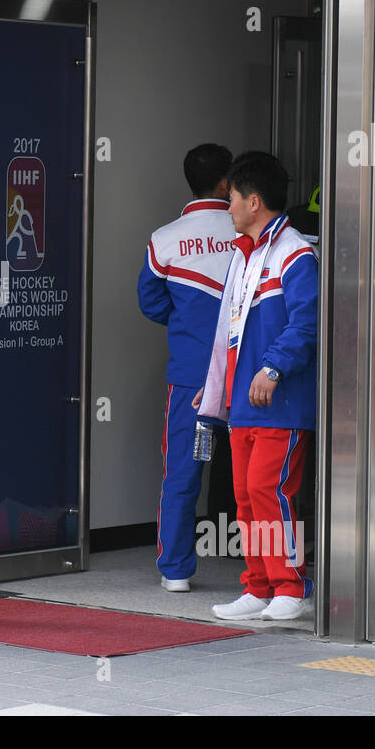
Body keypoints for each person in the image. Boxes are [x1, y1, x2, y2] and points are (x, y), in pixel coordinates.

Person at [195, 152, 318, 622]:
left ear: (254, 201)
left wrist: (272, 369)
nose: (227, 209)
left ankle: (292, 585)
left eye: (231, 201)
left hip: (280, 401)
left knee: (270, 490)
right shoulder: (242, 256)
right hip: (243, 403)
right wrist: (215, 387)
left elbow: (307, 324)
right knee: (247, 496)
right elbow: (230, 329)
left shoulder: (295, 252)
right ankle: (259, 585)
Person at [137, 143, 235, 592]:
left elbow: (151, 303)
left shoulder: (165, 238)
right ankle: (266, 577)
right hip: (247, 375)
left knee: (184, 469)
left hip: (191, 378)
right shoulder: (251, 230)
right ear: (226, 183)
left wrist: (187, 325)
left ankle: (175, 569)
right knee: (259, 476)